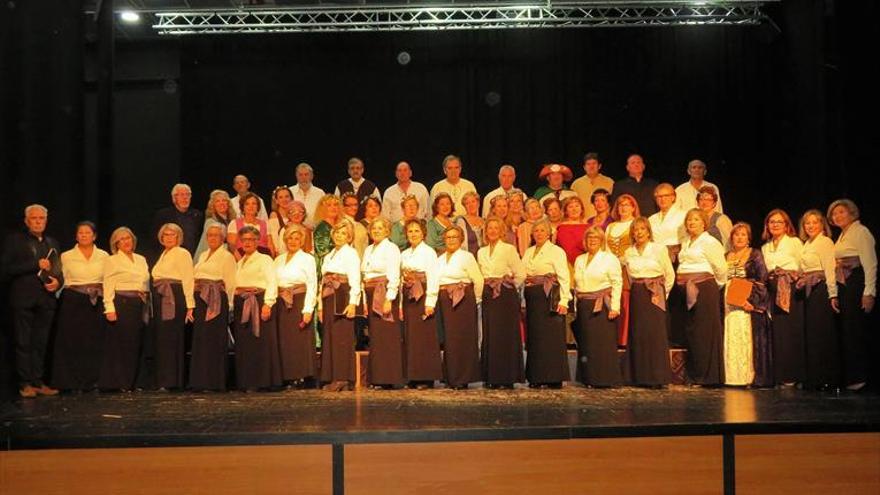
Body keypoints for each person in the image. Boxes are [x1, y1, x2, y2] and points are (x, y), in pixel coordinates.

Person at [1, 204, 63, 397]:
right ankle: (24, 383)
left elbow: (58, 269)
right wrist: (33, 265)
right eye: (34, 218)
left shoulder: (52, 242)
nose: (38, 221)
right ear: (27, 221)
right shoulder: (15, 241)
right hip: (23, 299)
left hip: (46, 300)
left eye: (41, 218)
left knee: (41, 342)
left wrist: (57, 282)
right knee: (23, 342)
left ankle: (38, 381)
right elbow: (6, 269)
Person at [52, 221, 109, 392]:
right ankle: (71, 382)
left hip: (96, 300)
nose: (84, 235)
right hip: (73, 299)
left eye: (87, 232)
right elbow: (58, 279)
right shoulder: (66, 256)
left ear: (94, 236)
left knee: (94, 341)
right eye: (81, 233)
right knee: (72, 340)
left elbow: (108, 278)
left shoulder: (104, 256)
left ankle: (93, 380)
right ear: (76, 236)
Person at [828, 199, 876, 391]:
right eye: (834, 214)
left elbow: (870, 264)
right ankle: (852, 376)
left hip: (857, 282)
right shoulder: (842, 235)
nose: (837, 216)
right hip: (845, 284)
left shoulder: (860, 231)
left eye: (841, 212)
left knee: (856, 330)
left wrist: (869, 292)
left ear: (851, 213)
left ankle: (861, 377)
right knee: (848, 330)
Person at [676, 208, 727, 386]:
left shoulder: (710, 242)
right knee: (692, 332)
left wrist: (712, 286)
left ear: (704, 222)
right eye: (689, 220)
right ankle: (695, 374)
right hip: (687, 289)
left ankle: (708, 376)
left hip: (704, 288)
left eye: (696, 219)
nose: (692, 223)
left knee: (705, 332)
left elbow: (721, 269)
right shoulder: (685, 242)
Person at [623, 217, 675, 387]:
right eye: (635, 230)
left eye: (642, 229)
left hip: (655, 293)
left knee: (655, 334)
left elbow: (669, 275)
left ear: (648, 231)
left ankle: (657, 377)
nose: (638, 233)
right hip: (638, 293)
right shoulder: (629, 252)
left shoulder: (658, 249)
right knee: (639, 333)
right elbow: (630, 277)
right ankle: (640, 376)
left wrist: (661, 294)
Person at [98, 227, 149, 392]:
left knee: (136, 343)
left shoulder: (141, 259)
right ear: (116, 244)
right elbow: (108, 285)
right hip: (122, 303)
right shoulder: (112, 260)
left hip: (139, 304)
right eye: (121, 239)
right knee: (123, 344)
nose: (126, 242)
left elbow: (145, 281)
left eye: (128, 238)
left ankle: (134, 381)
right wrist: (109, 307)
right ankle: (121, 382)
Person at [478, 217, 526, 388]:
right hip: (489, 294)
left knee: (505, 335)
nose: (492, 230)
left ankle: (506, 378)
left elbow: (520, 273)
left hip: (505, 295)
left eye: (495, 228)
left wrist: (508, 287)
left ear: (501, 231)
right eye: (489, 228)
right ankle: (492, 377)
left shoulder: (508, 249)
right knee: (491, 334)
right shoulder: (481, 251)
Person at [522, 219, 571, 388]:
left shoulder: (556, 251)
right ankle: (536, 376)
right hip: (533, 298)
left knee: (552, 337)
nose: (539, 233)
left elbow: (564, 276)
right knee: (536, 337)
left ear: (549, 233)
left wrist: (564, 300)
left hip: (550, 295)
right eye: (536, 231)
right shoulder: (528, 252)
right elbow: (523, 275)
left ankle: (554, 377)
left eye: (543, 230)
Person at [572, 227, 623, 388]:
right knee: (587, 344)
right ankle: (589, 378)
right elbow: (577, 285)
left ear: (602, 241)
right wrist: (575, 306)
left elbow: (617, 282)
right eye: (589, 238)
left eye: (596, 238)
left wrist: (615, 306)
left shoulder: (609, 258)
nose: (592, 240)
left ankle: (605, 378)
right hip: (584, 305)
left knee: (602, 343)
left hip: (601, 305)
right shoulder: (580, 259)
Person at [232, 225, 280, 391]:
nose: (247, 242)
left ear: (257, 241)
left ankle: (260, 381)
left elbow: (272, 281)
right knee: (245, 343)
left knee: (258, 341)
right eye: (244, 239)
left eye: (251, 239)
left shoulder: (264, 259)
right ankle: (246, 381)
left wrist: (268, 303)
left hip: (257, 301)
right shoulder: (240, 262)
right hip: (241, 302)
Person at [723, 222, 772, 387]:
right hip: (728, 300)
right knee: (731, 334)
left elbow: (762, 279)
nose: (739, 237)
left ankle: (747, 377)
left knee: (745, 335)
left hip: (746, 298)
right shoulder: (726, 255)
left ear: (749, 238)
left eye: (743, 234)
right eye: (736, 234)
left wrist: (750, 300)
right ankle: (731, 377)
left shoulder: (754, 254)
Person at [435, 225, 484, 389]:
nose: (451, 240)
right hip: (445, 300)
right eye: (448, 237)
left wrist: (474, 300)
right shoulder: (440, 259)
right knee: (450, 339)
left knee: (462, 338)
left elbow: (478, 280)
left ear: (461, 239)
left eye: (454, 237)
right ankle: (451, 376)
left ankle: (462, 378)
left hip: (463, 299)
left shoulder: (467, 256)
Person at [189, 224, 237, 391]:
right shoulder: (202, 255)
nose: (212, 238)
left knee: (214, 340)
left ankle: (214, 381)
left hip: (217, 300)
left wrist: (230, 307)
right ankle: (200, 380)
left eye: (216, 235)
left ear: (223, 238)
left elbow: (231, 283)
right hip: (201, 299)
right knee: (201, 339)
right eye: (209, 235)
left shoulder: (226, 256)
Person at [761, 209, 805, 387]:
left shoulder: (794, 242)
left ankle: (794, 374)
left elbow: (803, 265)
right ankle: (780, 374)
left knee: (791, 331)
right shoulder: (765, 247)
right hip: (772, 288)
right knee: (777, 332)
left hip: (790, 288)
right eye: (772, 222)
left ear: (787, 225)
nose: (775, 225)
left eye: (779, 222)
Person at [797, 210, 840, 389]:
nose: (811, 226)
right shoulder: (806, 244)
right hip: (809, 289)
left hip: (821, 289)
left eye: (815, 222)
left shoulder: (824, 242)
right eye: (807, 223)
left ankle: (827, 378)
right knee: (812, 334)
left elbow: (830, 270)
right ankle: (814, 377)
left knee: (823, 333)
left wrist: (833, 294)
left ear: (822, 224)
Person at [151, 223, 195, 391]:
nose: (169, 238)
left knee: (172, 339)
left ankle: (173, 380)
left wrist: (190, 305)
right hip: (162, 297)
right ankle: (163, 379)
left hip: (175, 297)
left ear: (178, 237)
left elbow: (188, 279)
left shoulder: (182, 253)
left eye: (172, 235)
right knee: (163, 339)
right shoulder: (163, 254)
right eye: (166, 235)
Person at [399, 219, 443, 389]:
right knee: (411, 336)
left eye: (416, 231)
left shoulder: (429, 252)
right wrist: (402, 305)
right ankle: (413, 374)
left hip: (423, 295)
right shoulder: (404, 254)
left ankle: (426, 376)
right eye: (410, 231)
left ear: (423, 233)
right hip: (409, 295)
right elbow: (403, 279)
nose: (413, 234)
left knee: (425, 337)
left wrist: (430, 301)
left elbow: (433, 277)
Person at [362, 217, 405, 388]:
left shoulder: (392, 248)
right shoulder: (368, 249)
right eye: (374, 228)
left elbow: (394, 274)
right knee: (377, 337)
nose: (377, 231)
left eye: (380, 228)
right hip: (371, 292)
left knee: (388, 336)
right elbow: (364, 275)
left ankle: (390, 378)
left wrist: (390, 298)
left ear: (387, 231)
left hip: (384, 292)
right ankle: (379, 377)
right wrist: (365, 301)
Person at [318, 221, 361, 392]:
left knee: (342, 337)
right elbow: (323, 281)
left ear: (349, 236)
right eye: (336, 232)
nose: (339, 236)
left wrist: (353, 303)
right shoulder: (329, 255)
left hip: (342, 294)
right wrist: (320, 305)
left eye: (343, 233)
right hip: (329, 295)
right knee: (330, 336)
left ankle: (343, 377)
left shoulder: (351, 254)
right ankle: (333, 375)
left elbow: (355, 279)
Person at [273, 224, 318, 388]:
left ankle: (303, 375)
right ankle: (288, 375)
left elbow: (312, 284)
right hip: (282, 302)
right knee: (285, 340)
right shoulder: (278, 260)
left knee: (300, 340)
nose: (293, 241)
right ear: (285, 240)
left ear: (302, 241)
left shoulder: (307, 258)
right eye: (290, 238)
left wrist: (308, 309)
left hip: (299, 299)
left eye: (297, 238)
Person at [605, 193, 640, 347]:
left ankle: (625, 339)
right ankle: (614, 338)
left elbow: (638, 246)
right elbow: (605, 248)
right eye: (620, 205)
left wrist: (623, 261)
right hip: (612, 268)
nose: (623, 207)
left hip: (628, 268)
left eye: (627, 204)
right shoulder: (611, 226)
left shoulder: (635, 224)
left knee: (626, 302)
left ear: (633, 207)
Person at [151, 183, 203, 258]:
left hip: (192, 257)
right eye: (182, 195)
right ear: (174, 198)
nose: (185, 197)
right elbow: (156, 239)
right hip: (170, 257)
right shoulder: (163, 215)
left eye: (188, 195)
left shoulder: (197, 215)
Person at [228, 192, 275, 259]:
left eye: (254, 204)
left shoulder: (265, 224)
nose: (251, 206)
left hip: (262, 258)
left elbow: (270, 245)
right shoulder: (234, 223)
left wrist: (270, 260)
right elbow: (232, 246)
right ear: (242, 207)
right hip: (242, 258)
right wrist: (241, 261)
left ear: (258, 207)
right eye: (247, 204)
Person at [648, 183, 686, 264]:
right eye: (659, 196)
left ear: (673, 197)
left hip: (676, 259)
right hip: (656, 259)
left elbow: (686, 239)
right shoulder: (651, 219)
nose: (663, 199)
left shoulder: (683, 215)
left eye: (666, 196)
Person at [571, 152, 615, 219]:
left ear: (599, 166)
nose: (591, 166)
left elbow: (614, 204)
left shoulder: (609, 182)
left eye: (594, 163)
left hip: (604, 222)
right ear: (584, 167)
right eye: (588, 164)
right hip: (583, 222)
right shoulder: (576, 184)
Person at [195, 189, 234, 260]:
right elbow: (205, 245)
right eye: (217, 201)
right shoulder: (210, 222)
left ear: (228, 203)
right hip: (216, 258)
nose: (221, 203)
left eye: (224, 200)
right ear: (213, 205)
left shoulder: (233, 221)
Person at [555, 196, 590, 266]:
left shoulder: (589, 227)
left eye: (577, 206)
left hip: (586, 264)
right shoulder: (561, 228)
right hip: (565, 265)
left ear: (582, 209)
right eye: (570, 207)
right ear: (566, 211)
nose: (574, 209)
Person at [289, 162, 326, 227]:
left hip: (315, 231)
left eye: (306, 174)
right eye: (300, 175)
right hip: (294, 232)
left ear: (312, 176)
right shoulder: (290, 192)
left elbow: (325, 213)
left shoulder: (320, 193)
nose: (303, 178)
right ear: (296, 176)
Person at [312, 194, 345, 266]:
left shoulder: (340, 226)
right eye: (329, 205)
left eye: (335, 205)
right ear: (323, 208)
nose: (333, 208)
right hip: (327, 267)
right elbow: (323, 252)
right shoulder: (321, 228)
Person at [697, 186, 733, 250]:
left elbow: (729, 242)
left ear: (714, 203)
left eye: (708, 200)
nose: (704, 202)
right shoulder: (695, 219)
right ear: (698, 203)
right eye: (701, 199)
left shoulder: (722, 219)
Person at [455, 191, 485, 257]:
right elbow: (463, 245)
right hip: (468, 258)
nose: (471, 205)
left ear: (478, 204)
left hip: (484, 259)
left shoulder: (484, 221)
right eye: (467, 203)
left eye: (473, 202)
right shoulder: (461, 221)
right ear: (464, 206)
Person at [340, 192, 369, 258]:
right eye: (350, 205)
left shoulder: (360, 225)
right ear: (343, 207)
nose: (354, 208)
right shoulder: (342, 224)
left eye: (355, 205)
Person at [268, 186, 295, 256]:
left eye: (287, 196)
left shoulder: (295, 215)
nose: (284, 200)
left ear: (291, 198)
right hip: (280, 253)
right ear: (276, 200)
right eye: (280, 197)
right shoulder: (274, 215)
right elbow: (274, 238)